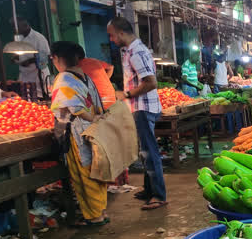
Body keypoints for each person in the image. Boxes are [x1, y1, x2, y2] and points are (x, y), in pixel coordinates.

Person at [107, 17, 166, 211]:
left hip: (143, 107)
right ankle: (149, 190)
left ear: (121, 33)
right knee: (144, 151)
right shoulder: (131, 51)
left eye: (112, 35)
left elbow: (150, 82)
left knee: (150, 152)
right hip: (139, 107)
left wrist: (125, 94)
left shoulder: (136, 52)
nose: (111, 39)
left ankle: (159, 195)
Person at [48, 41, 108, 227]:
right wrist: (95, 119)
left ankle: (94, 216)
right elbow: (98, 104)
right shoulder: (85, 77)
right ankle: (101, 211)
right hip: (94, 131)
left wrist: (89, 118)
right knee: (96, 170)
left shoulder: (64, 78)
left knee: (83, 173)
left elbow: (74, 107)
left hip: (78, 132)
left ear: (56, 58)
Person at [13, 18, 50, 98]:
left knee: (39, 98)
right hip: (24, 75)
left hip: (37, 76)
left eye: (17, 27)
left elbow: (45, 57)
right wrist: (15, 57)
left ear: (26, 26)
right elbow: (20, 54)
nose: (15, 29)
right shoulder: (19, 38)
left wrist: (29, 61)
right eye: (13, 27)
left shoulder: (39, 38)